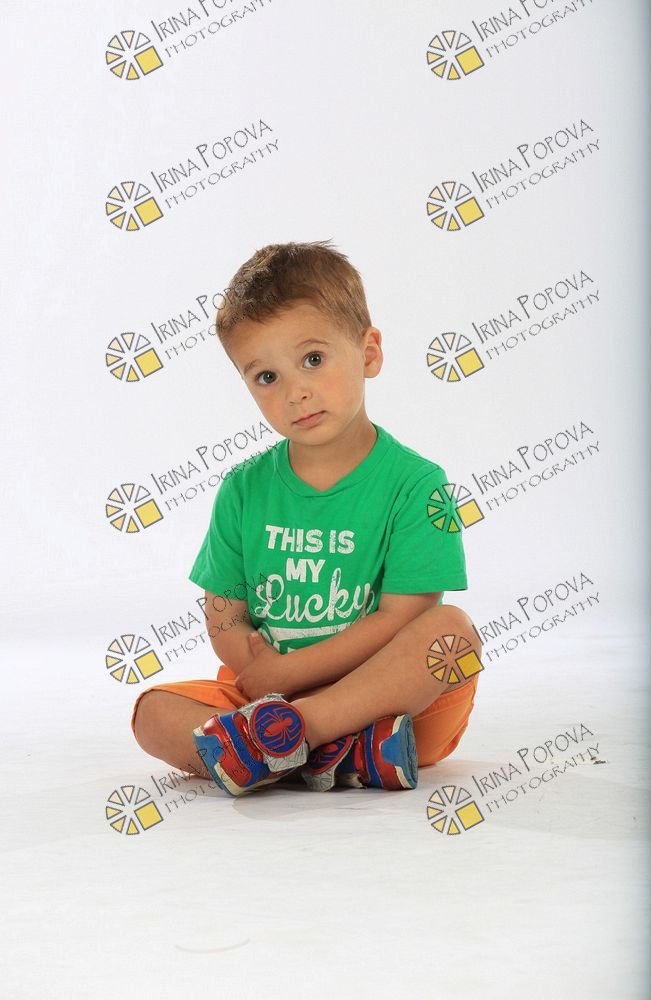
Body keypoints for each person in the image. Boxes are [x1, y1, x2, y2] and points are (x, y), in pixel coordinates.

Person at [131, 240, 483, 797]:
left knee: (452, 634)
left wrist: (293, 675)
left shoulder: (418, 486)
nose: (296, 392)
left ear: (369, 353)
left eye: (313, 360)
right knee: (152, 714)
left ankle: (299, 738)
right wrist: (259, 669)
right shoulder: (243, 490)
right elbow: (224, 614)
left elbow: (405, 614)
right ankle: (342, 755)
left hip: (390, 701)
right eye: (266, 377)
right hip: (269, 702)